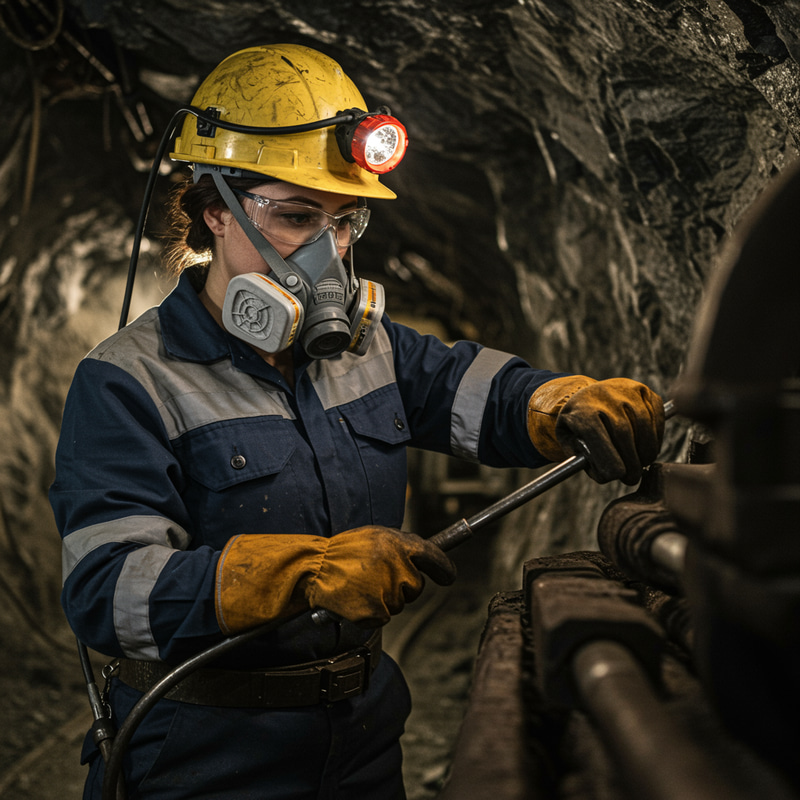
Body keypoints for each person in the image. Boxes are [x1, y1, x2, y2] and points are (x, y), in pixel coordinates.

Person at [50, 44, 665, 800]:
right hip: (203, 757)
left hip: (362, 740)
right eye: (297, 216)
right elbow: (109, 594)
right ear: (215, 208)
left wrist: (556, 401)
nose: (327, 254)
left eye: (346, 223)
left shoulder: (369, 348)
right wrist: (301, 574)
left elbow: (478, 394)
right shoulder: (129, 380)